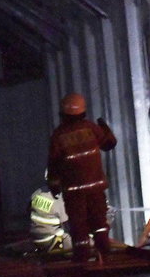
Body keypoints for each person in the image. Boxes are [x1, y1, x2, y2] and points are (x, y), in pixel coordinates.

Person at [47, 93, 117, 262]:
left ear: (62, 113)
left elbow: (54, 163)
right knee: (99, 222)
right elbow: (109, 144)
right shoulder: (91, 128)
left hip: (74, 192)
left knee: (79, 225)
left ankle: (82, 259)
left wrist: (54, 184)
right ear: (83, 111)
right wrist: (105, 127)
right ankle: (104, 254)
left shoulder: (58, 135)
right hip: (95, 188)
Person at [29, 183, 70, 253]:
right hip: (53, 241)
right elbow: (67, 226)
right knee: (88, 242)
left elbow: (28, 209)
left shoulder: (37, 192)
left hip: (36, 239)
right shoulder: (59, 199)